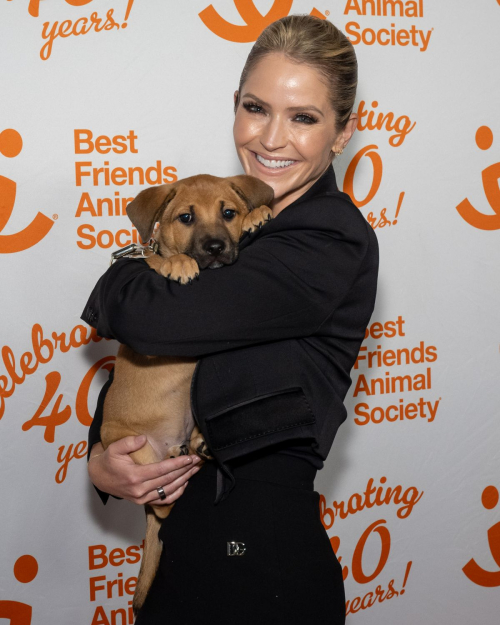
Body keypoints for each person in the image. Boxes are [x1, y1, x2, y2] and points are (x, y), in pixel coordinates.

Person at [83, 15, 378, 625]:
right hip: (181, 554)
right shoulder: (236, 223)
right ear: (235, 108)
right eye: (255, 107)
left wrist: (124, 271)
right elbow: (155, 369)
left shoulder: (328, 238)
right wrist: (104, 460)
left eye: (304, 118)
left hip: (259, 568)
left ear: (343, 133)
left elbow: (155, 322)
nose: (271, 138)